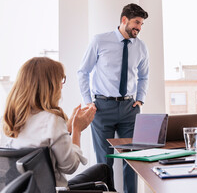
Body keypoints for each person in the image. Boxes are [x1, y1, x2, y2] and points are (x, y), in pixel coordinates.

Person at [2, 57, 116, 191]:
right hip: (56, 190)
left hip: (28, 189)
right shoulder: (53, 120)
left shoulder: (10, 118)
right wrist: (77, 129)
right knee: (104, 170)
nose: (62, 85)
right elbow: (69, 167)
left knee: (102, 169)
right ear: (49, 85)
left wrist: (68, 128)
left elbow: (44, 140)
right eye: (60, 80)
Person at [78, 3, 149, 193]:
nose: (139, 28)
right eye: (136, 22)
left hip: (129, 108)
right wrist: (88, 102)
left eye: (141, 24)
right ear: (124, 20)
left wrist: (140, 99)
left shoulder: (141, 47)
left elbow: (144, 76)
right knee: (104, 162)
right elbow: (83, 71)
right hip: (101, 108)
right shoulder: (100, 41)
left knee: (133, 159)